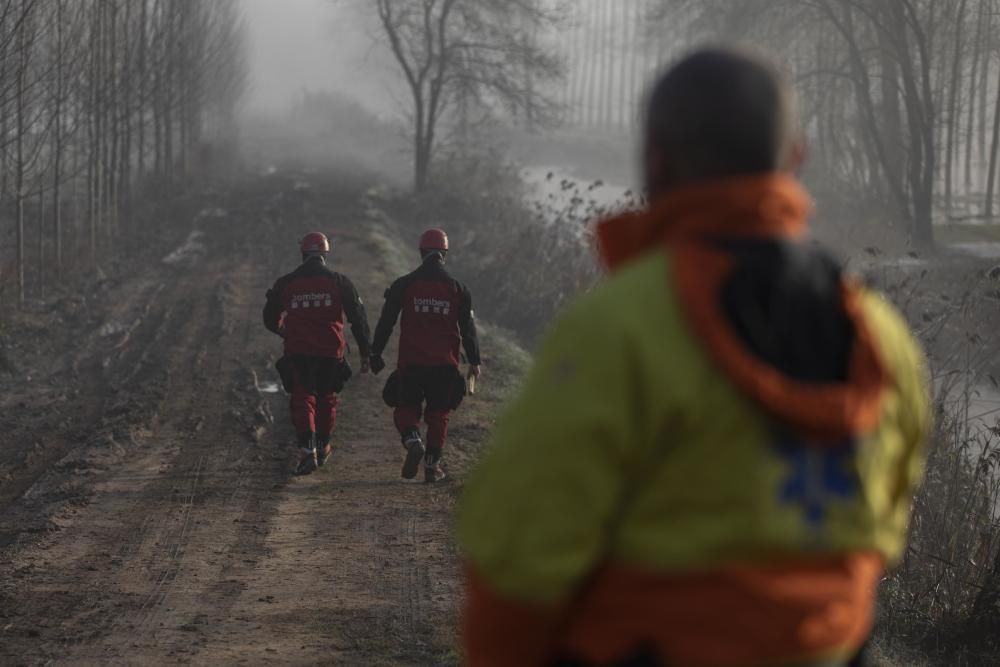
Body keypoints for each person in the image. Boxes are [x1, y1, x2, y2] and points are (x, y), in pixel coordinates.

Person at [457, 48, 930, 667]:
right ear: (794, 158)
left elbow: (516, 565)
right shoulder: (880, 335)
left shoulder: (619, 327)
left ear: (655, 159)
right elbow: (882, 532)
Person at [369, 229, 482, 483]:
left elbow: (386, 322)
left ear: (421, 253)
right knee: (439, 414)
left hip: (411, 363)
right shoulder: (458, 289)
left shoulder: (404, 285)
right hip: (444, 365)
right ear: (445, 253)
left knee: (406, 407)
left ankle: (412, 440)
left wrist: (375, 352)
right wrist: (474, 361)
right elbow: (468, 329)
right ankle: (431, 467)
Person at [263, 232, 372, 475]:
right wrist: (365, 352)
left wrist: (280, 329)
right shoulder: (340, 282)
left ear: (303, 254)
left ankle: (306, 449)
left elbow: (269, 316)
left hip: (299, 350)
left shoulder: (287, 282)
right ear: (325, 253)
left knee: (303, 398)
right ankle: (322, 445)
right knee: (327, 398)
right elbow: (358, 319)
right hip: (331, 351)